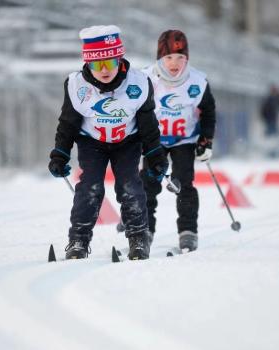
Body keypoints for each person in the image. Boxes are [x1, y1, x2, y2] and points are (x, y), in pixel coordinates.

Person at [48, 25, 168, 260]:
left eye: (110, 63)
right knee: (90, 187)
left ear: (119, 59)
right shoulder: (76, 86)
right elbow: (68, 124)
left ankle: (138, 237)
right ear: (88, 64)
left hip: (127, 141)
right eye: (97, 65)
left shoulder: (139, 83)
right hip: (92, 142)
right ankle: (78, 240)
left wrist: (155, 155)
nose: (104, 70)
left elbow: (148, 124)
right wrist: (59, 154)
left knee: (130, 186)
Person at [141, 29, 216, 252]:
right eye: (169, 58)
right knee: (148, 184)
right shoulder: (146, 79)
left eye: (180, 57)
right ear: (160, 58)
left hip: (185, 139)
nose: (175, 63)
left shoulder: (198, 81)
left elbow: (209, 111)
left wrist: (206, 139)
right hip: (155, 142)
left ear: (187, 59)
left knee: (183, 184)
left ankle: (188, 231)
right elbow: (134, 109)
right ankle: (144, 229)